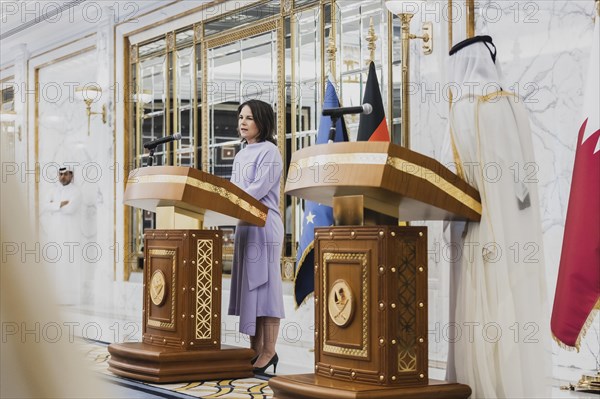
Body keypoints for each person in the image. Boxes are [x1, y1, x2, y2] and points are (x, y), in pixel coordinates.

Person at [444, 35, 550, 398]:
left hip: (479, 229)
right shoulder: (512, 103)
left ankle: (482, 386)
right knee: (513, 306)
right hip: (518, 230)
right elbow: (524, 179)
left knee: (484, 308)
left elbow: (452, 176)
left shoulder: (463, 107)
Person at [228, 99, 285, 374]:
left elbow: (257, 188)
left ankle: (269, 350)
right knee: (250, 289)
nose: (242, 122)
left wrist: (227, 197)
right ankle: (254, 349)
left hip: (264, 225)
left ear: (262, 121)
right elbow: (235, 190)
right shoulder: (240, 155)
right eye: (241, 117)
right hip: (245, 224)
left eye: (249, 117)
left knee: (266, 287)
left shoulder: (271, 151)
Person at [41, 164, 82, 305]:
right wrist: (61, 204)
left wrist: (54, 205)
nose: (62, 177)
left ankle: (69, 298)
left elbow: (71, 209)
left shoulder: (76, 192)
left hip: (69, 235)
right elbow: (45, 206)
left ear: (71, 175)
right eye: (60, 174)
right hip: (55, 234)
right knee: (55, 264)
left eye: (65, 174)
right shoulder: (53, 190)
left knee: (68, 264)